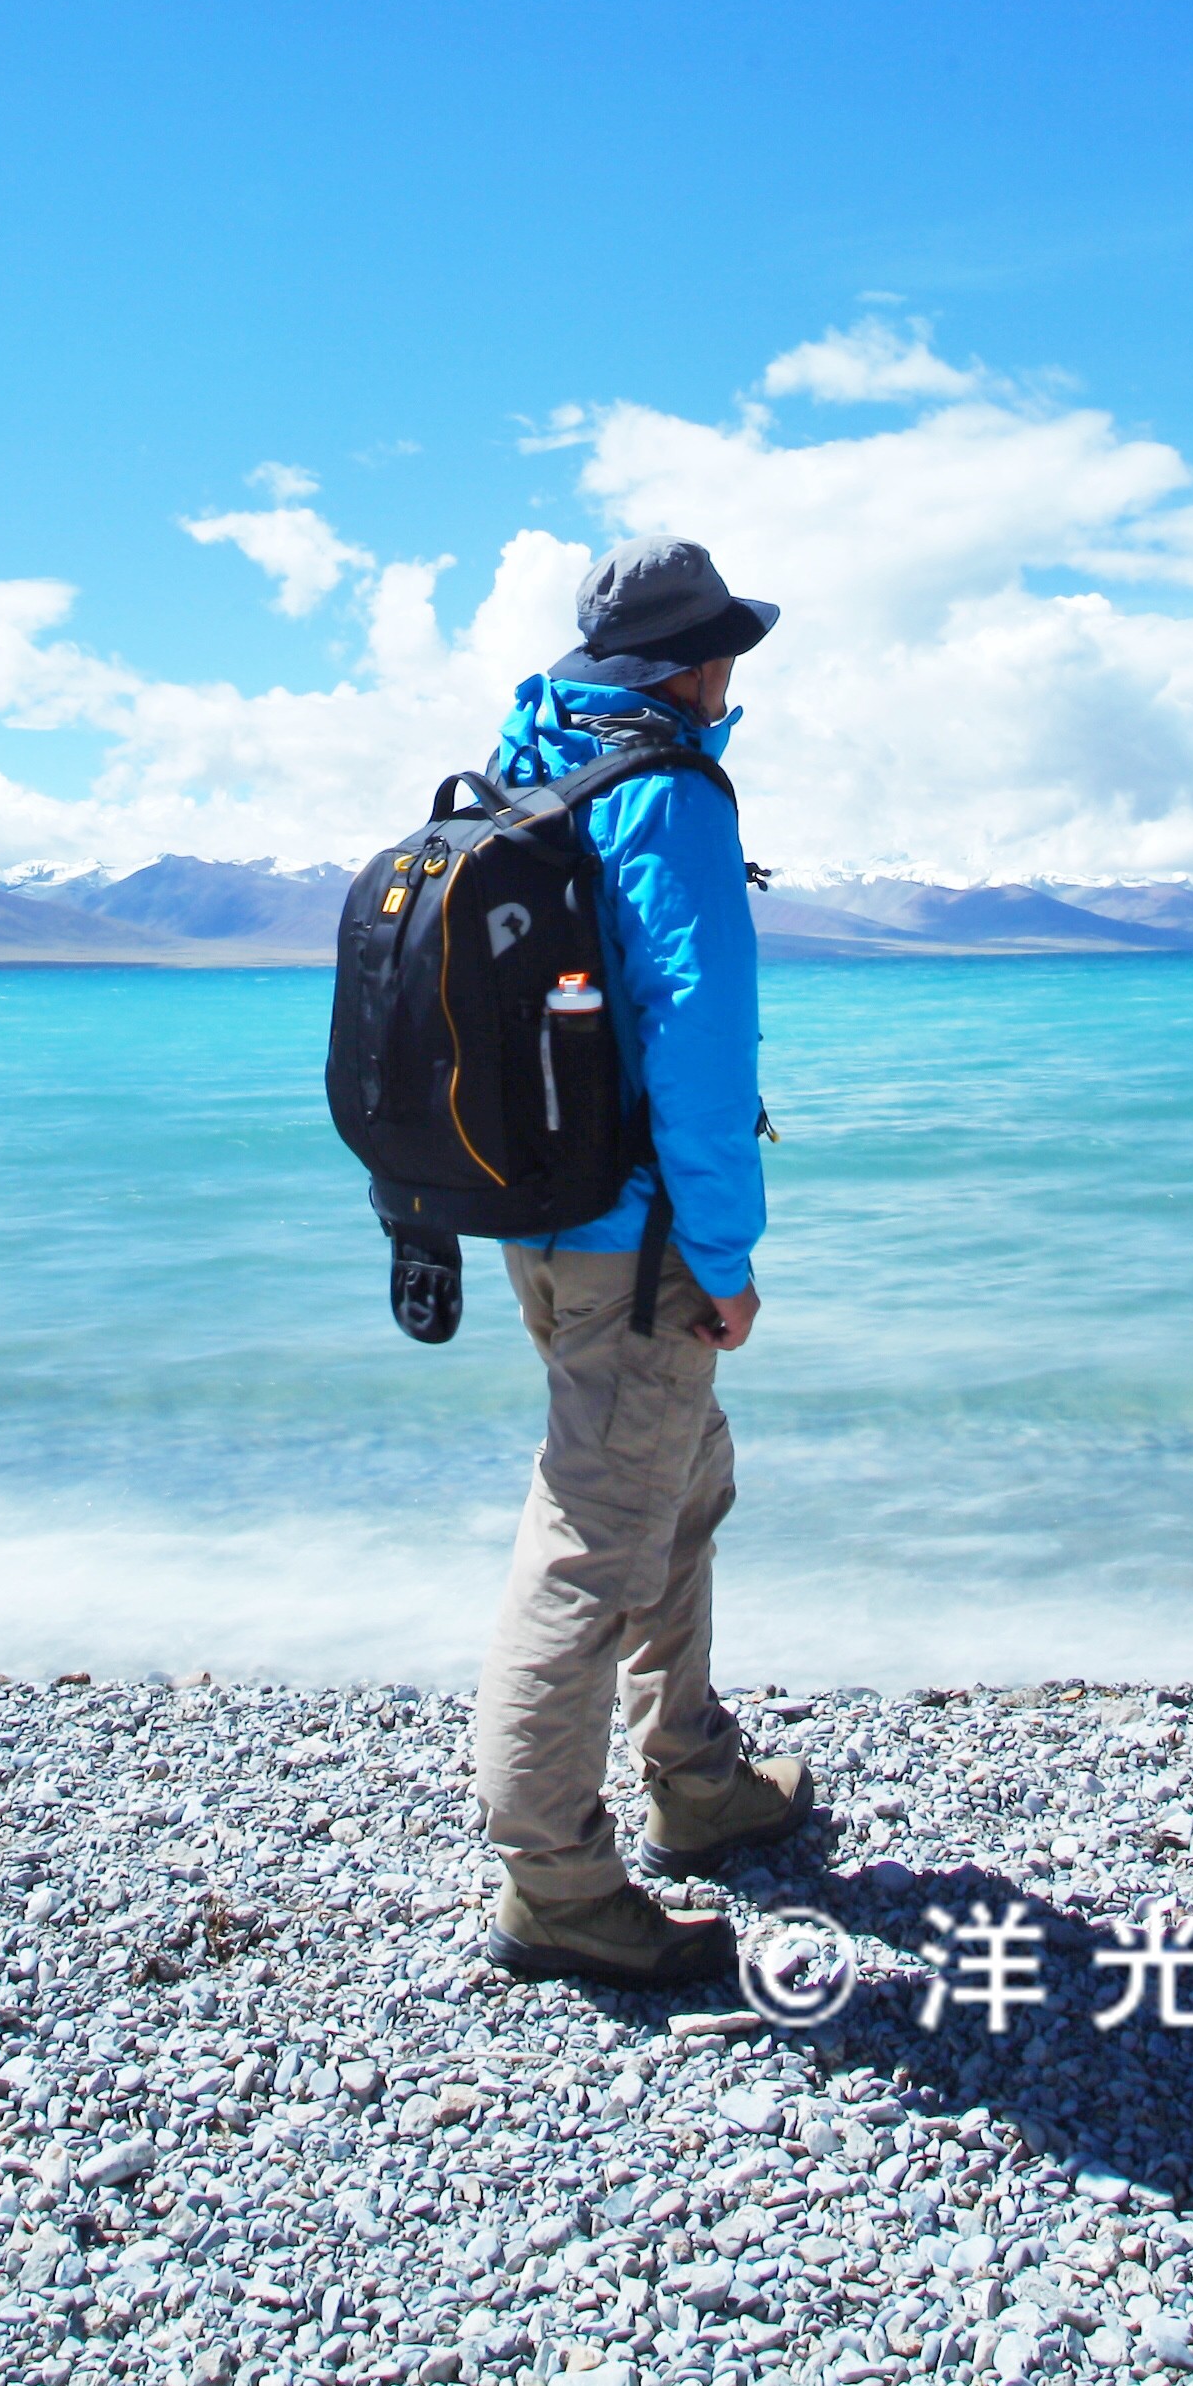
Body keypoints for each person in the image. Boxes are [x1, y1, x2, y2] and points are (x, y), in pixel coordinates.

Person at [474, 533, 810, 1984]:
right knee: (589, 1543)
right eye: (724, 648)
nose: (732, 672)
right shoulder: (664, 794)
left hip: (541, 1222)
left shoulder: (527, 768)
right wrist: (724, 1256)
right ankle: (553, 1882)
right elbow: (699, 1040)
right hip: (642, 1241)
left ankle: (695, 1774)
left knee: (681, 1481)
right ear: (693, 663)